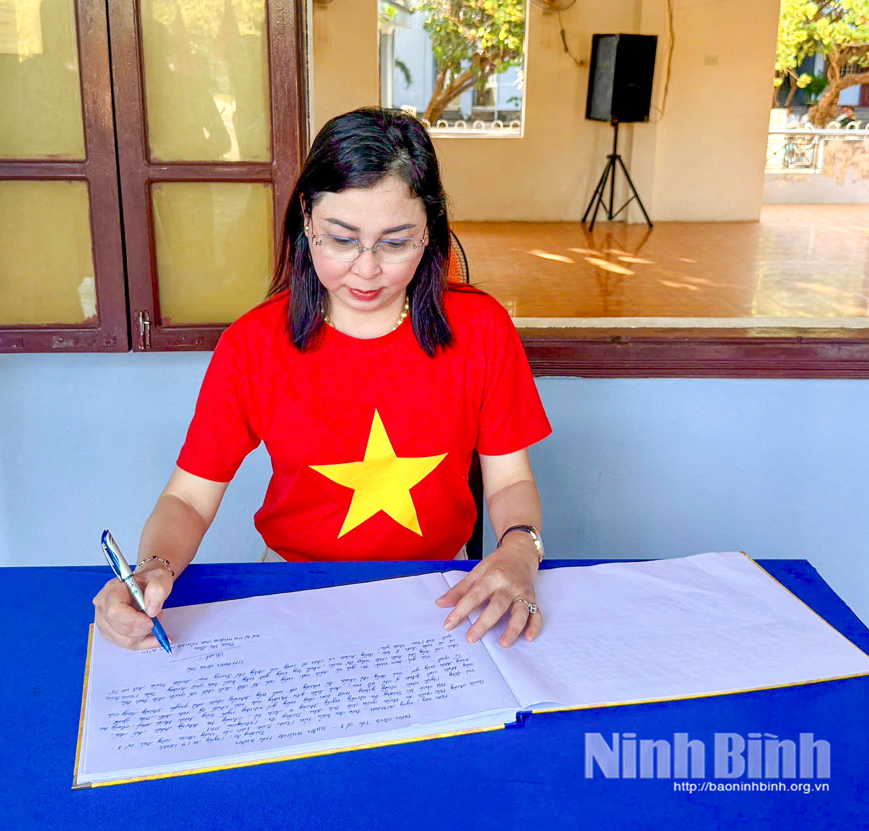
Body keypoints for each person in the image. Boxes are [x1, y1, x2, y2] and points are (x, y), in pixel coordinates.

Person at [93, 107, 552, 653]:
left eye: (395, 242)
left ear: (430, 230)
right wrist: (153, 567)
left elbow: (509, 482)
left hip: (440, 592)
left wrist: (520, 548)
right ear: (307, 218)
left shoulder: (481, 329)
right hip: (292, 588)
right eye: (341, 239)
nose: (366, 269)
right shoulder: (253, 344)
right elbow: (189, 498)